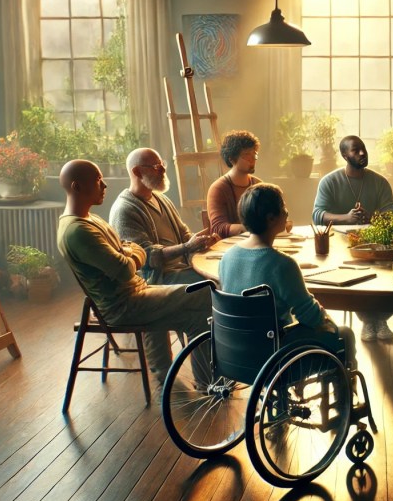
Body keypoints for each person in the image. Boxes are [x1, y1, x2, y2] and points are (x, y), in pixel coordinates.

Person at [57, 160, 211, 387]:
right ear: (77, 187)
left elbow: (126, 250)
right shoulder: (78, 231)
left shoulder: (91, 218)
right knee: (206, 291)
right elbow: (126, 268)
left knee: (197, 318)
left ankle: (194, 382)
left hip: (137, 291)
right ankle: (169, 379)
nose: (105, 184)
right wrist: (134, 252)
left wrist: (129, 251)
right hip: (124, 305)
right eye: (98, 180)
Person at [220, 183, 356, 367]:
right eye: (283, 207)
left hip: (234, 351)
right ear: (270, 218)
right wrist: (329, 323)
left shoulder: (227, 257)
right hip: (273, 355)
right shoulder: (281, 265)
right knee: (345, 334)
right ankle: (345, 392)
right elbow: (311, 316)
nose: (286, 212)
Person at [312, 135, 393, 342]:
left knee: (387, 274)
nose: (361, 153)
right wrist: (346, 218)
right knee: (355, 278)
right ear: (344, 155)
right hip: (340, 244)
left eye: (363, 149)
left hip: (375, 242)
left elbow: (392, 213)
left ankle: (382, 319)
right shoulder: (330, 181)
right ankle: (368, 320)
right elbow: (317, 214)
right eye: (355, 150)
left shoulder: (379, 181)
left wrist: (373, 218)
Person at [109, 148, 218, 286]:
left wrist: (202, 241)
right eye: (156, 167)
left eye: (162, 165)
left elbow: (184, 234)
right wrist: (187, 247)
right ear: (137, 172)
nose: (163, 171)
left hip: (184, 267)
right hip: (158, 279)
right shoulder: (125, 209)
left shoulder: (162, 199)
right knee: (216, 283)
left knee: (223, 271)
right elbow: (145, 257)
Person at [207, 130, 261, 238]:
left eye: (254, 154)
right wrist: (256, 229)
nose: (252, 160)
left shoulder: (259, 185)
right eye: (246, 155)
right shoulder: (218, 188)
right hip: (228, 249)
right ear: (231, 159)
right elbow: (218, 227)